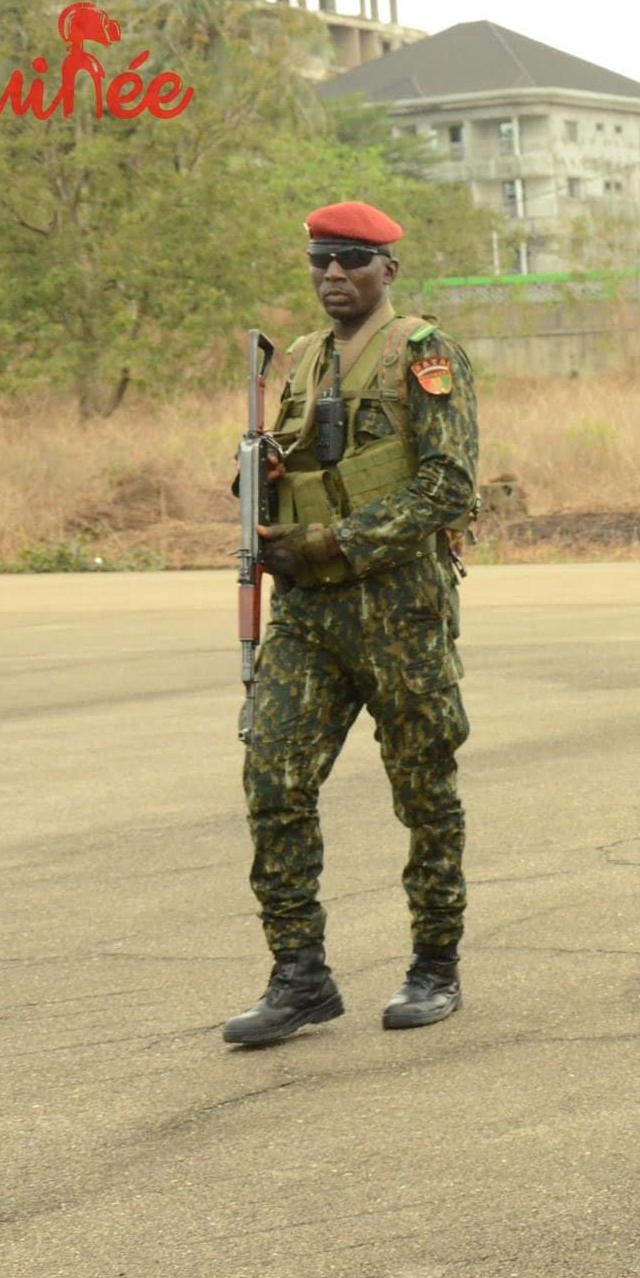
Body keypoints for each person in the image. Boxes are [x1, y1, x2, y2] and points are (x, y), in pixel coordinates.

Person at [221, 201, 480, 1047]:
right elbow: (295, 470)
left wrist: (333, 537)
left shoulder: (424, 354)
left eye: (353, 260)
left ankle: (434, 964)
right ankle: (300, 974)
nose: (334, 274)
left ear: (387, 271)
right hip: (309, 611)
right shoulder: (297, 362)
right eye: (321, 260)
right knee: (273, 777)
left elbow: (448, 489)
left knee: (423, 789)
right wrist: (259, 488)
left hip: (398, 608)